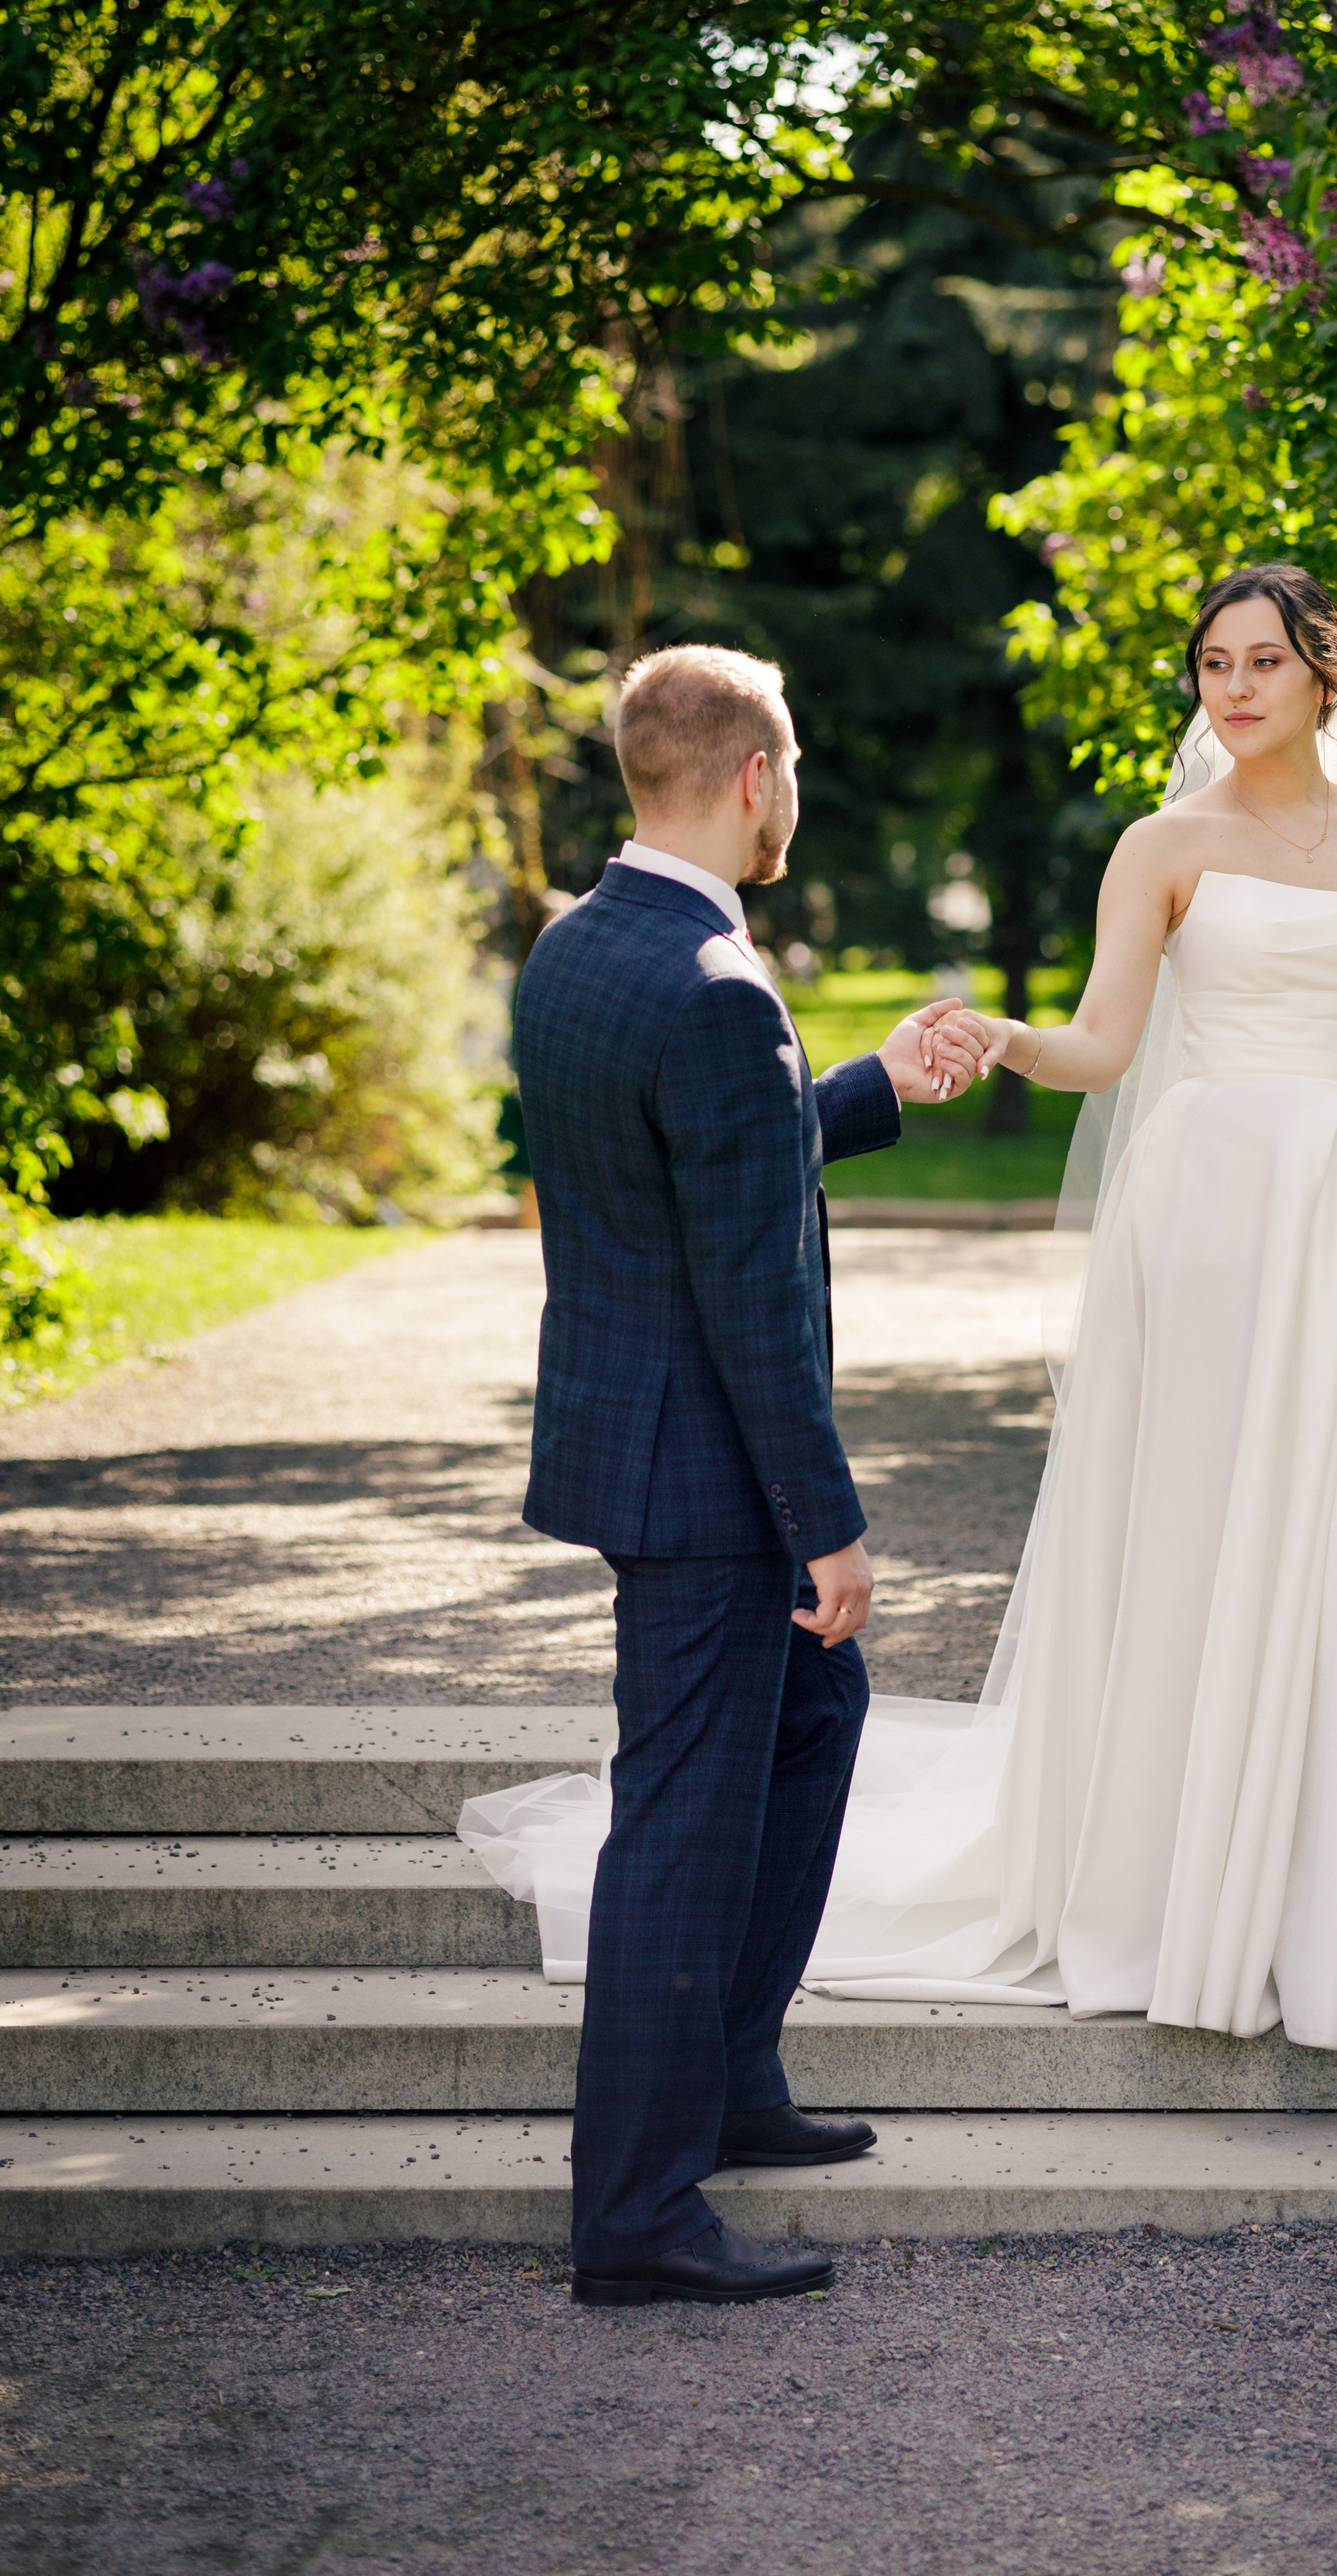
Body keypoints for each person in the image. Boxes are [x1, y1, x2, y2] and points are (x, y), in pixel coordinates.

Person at [803, 564, 1337, 2042]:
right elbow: (1105, 1044)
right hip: (1210, 1215)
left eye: (1263, 661)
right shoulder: (1164, 844)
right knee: (1206, 1538)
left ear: (1322, 676)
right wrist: (1000, 1038)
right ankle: (1185, 1887)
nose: (1232, 687)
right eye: (1212, 663)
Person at [493, 642, 975, 2310]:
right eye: (795, 766)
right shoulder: (713, 980)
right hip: (707, 1484)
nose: (798, 794)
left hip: (642, 1450)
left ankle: (731, 2080)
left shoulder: (581, 946)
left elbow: (683, 1150)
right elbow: (749, 1294)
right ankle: (635, 2211)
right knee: (675, 1835)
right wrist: (824, 1527)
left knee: (815, 1724)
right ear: (752, 777)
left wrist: (864, 1089)